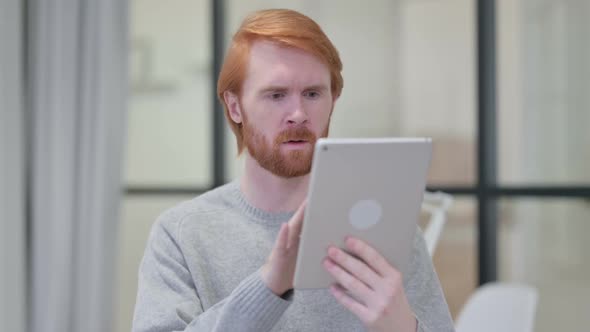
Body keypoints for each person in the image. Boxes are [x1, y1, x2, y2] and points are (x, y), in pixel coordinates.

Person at [132, 8, 454, 332]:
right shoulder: (181, 235)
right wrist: (268, 286)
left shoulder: (388, 235)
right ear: (234, 106)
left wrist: (405, 328)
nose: (298, 114)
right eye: (276, 95)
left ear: (334, 100)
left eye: (313, 94)